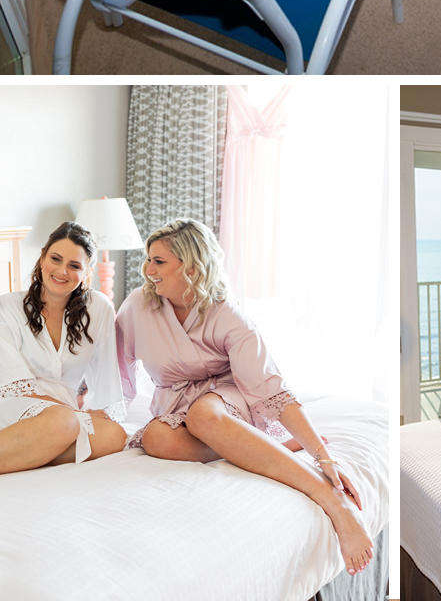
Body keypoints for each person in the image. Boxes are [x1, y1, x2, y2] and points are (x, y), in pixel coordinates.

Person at [115, 218, 373, 577]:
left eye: (159, 261)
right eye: (148, 259)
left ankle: (333, 502)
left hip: (226, 395)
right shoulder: (137, 307)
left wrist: (322, 454)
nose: (147, 270)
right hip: (174, 400)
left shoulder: (225, 312)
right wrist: (97, 415)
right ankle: (266, 447)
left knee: (203, 416)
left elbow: (270, 387)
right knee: (156, 438)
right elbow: (117, 372)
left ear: (191, 266)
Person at [0, 221, 127, 471]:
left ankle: (28, 451)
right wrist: (74, 414)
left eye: (74, 265)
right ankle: (32, 444)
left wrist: (94, 413)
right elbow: (12, 385)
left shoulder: (99, 307)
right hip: (16, 403)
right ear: (42, 259)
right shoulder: (7, 307)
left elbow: (107, 376)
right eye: (55, 259)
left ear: (86, 273)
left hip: (66, 417)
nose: (62, 271)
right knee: (62, 420)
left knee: (115, 436)